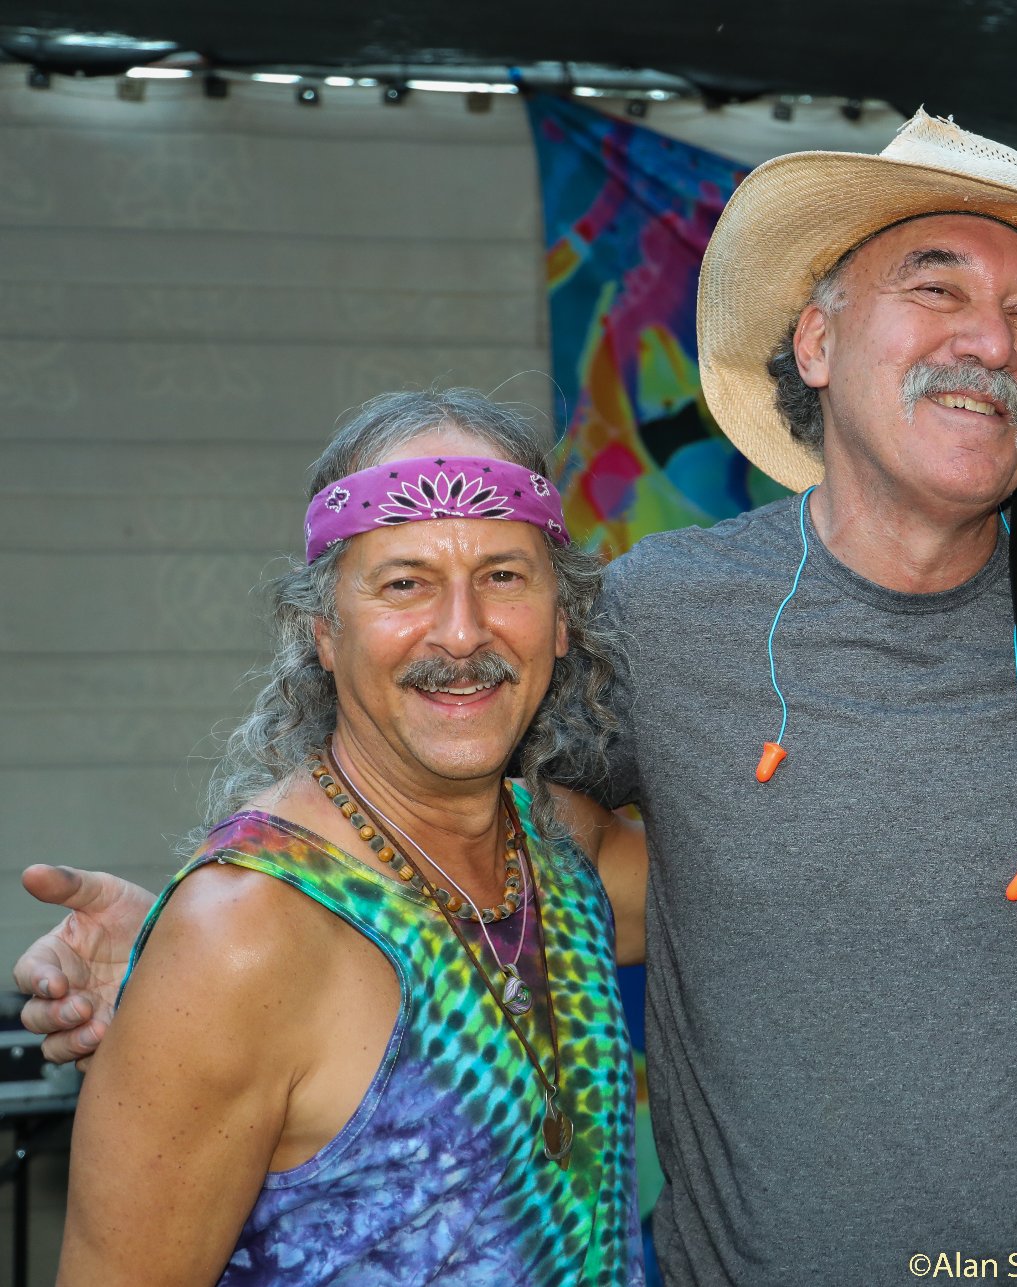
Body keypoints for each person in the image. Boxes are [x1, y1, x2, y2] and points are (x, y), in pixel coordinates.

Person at [21, 114, 1017, 1285]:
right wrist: (207, 957)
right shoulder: (662, 615)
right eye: (936, 289)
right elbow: (443, 794)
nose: (989, 339)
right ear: (813, 345)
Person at [37, 390, 650, 1284]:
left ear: (562, 620)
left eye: (504, 576)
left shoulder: (567, 854)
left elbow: (788, 902)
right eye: (405, 582)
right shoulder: (242, 938)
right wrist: (189, 960)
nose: (462, 631)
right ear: (324, 631)